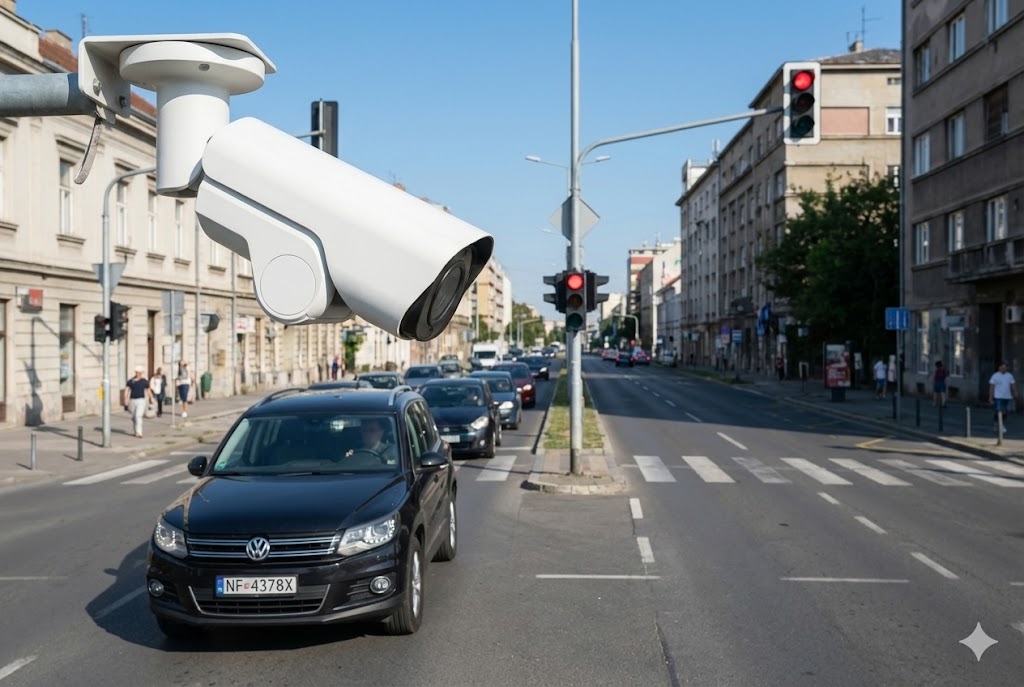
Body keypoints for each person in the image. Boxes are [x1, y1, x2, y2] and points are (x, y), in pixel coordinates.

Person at [123, 366, 154, 438]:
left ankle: (139, 433)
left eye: (140, 372)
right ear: (135, 372)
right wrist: (125, 398)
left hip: (141, 400)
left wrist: (151, 398)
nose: (138, 374)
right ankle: (136, 431)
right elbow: (127, 389)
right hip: (132, 400)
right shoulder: (131, 381)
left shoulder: (144, 381)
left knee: (138, 416)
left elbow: (148, 390)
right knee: (134, 417)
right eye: (137, 372)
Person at [989, 361, 1017, 433]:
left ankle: (998, 422)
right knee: (999, 411)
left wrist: (1015, 393)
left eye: (1005, 367)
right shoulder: (995, 376)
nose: (1003, 369)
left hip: (1007, 397)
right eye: (1002, 367)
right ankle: (1000, 425)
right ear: (999, 368)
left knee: (1006, 412)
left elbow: (1013, 385)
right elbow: (992, 387)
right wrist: (991, 398)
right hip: (998, 397)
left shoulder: (1009, 376)